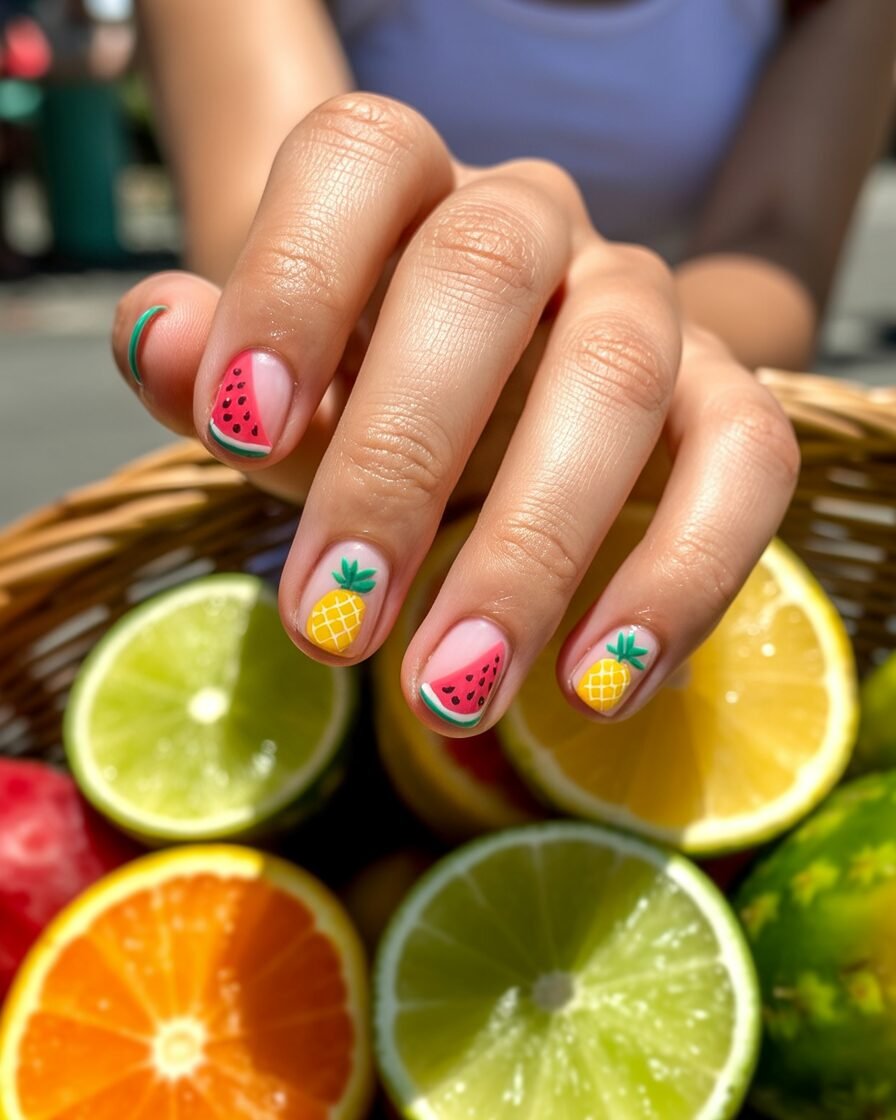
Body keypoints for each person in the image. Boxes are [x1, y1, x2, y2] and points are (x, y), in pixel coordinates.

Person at [111, 0, 896, 733]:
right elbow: (265, 237)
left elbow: (772, 244)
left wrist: (623, 359)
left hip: (651, 511)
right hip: (317, 508)